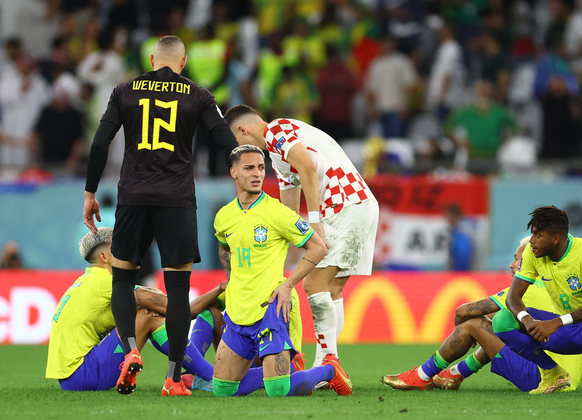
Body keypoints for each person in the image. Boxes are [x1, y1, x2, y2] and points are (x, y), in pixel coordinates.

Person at [82, 35, 238, 396]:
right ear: (183, 62)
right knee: (179, 292)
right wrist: (242, 178)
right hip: (177, 200)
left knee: (122, 281)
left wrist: (90, 191)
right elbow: (225, 140)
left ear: (153, 58)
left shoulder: (124, 91)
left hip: (133, 197)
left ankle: (130, 351)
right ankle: (171, 379)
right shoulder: (199, 95)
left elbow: (99, 142)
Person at [224, 104, 379, 373]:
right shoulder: (277, 153)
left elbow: (307, 168)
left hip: (342, 205)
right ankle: (326, 364)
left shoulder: (276, 131)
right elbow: (289, 210)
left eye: (236, 141)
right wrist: (286, 240)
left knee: (313, 284)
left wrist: (315, 222)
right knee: (332, 290)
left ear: (243, 130)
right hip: (359, 204)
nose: (239, 149)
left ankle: (326, 364)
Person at [211, 144, 352, 397]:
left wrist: (288, 285)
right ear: (233, 172)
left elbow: (318, 247)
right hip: (238, 310)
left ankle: (329, 370)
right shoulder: (224, 216)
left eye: (261, 168)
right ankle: (288, 374)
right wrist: (233, 280)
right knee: (223, 390)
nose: (257, 173)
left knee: (278, 389)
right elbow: (224, 248)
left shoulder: (277, 213)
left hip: (270, 308)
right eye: (249, 168)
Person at [381, 236, 582, 394]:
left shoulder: (525, 290)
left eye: (517, 260)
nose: (512, 265)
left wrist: (463, 332)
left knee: (473, 324)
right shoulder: (560, 287)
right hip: (571, 379)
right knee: (501, 328)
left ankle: (421, 376)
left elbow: (463, 311)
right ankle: (455, 374)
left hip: (543, 377)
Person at [45, 228, 227, 393]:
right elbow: (178, 310)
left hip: (71, 376)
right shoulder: (106, 284)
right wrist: (220, 289)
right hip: (82, 375)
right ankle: (215, 377)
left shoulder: (89, 281)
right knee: (147, 315)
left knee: (202, 314)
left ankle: (197, 376)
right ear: (104, 257)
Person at [500, 205, 582, 396]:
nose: (531, 241)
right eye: (532, 234)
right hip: (559, 329)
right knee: (502, 320)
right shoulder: (532, 253)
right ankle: (551, 371)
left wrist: (556, 323)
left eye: (537, 235)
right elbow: (513, 298)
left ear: (555, 238)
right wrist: (528, 321)